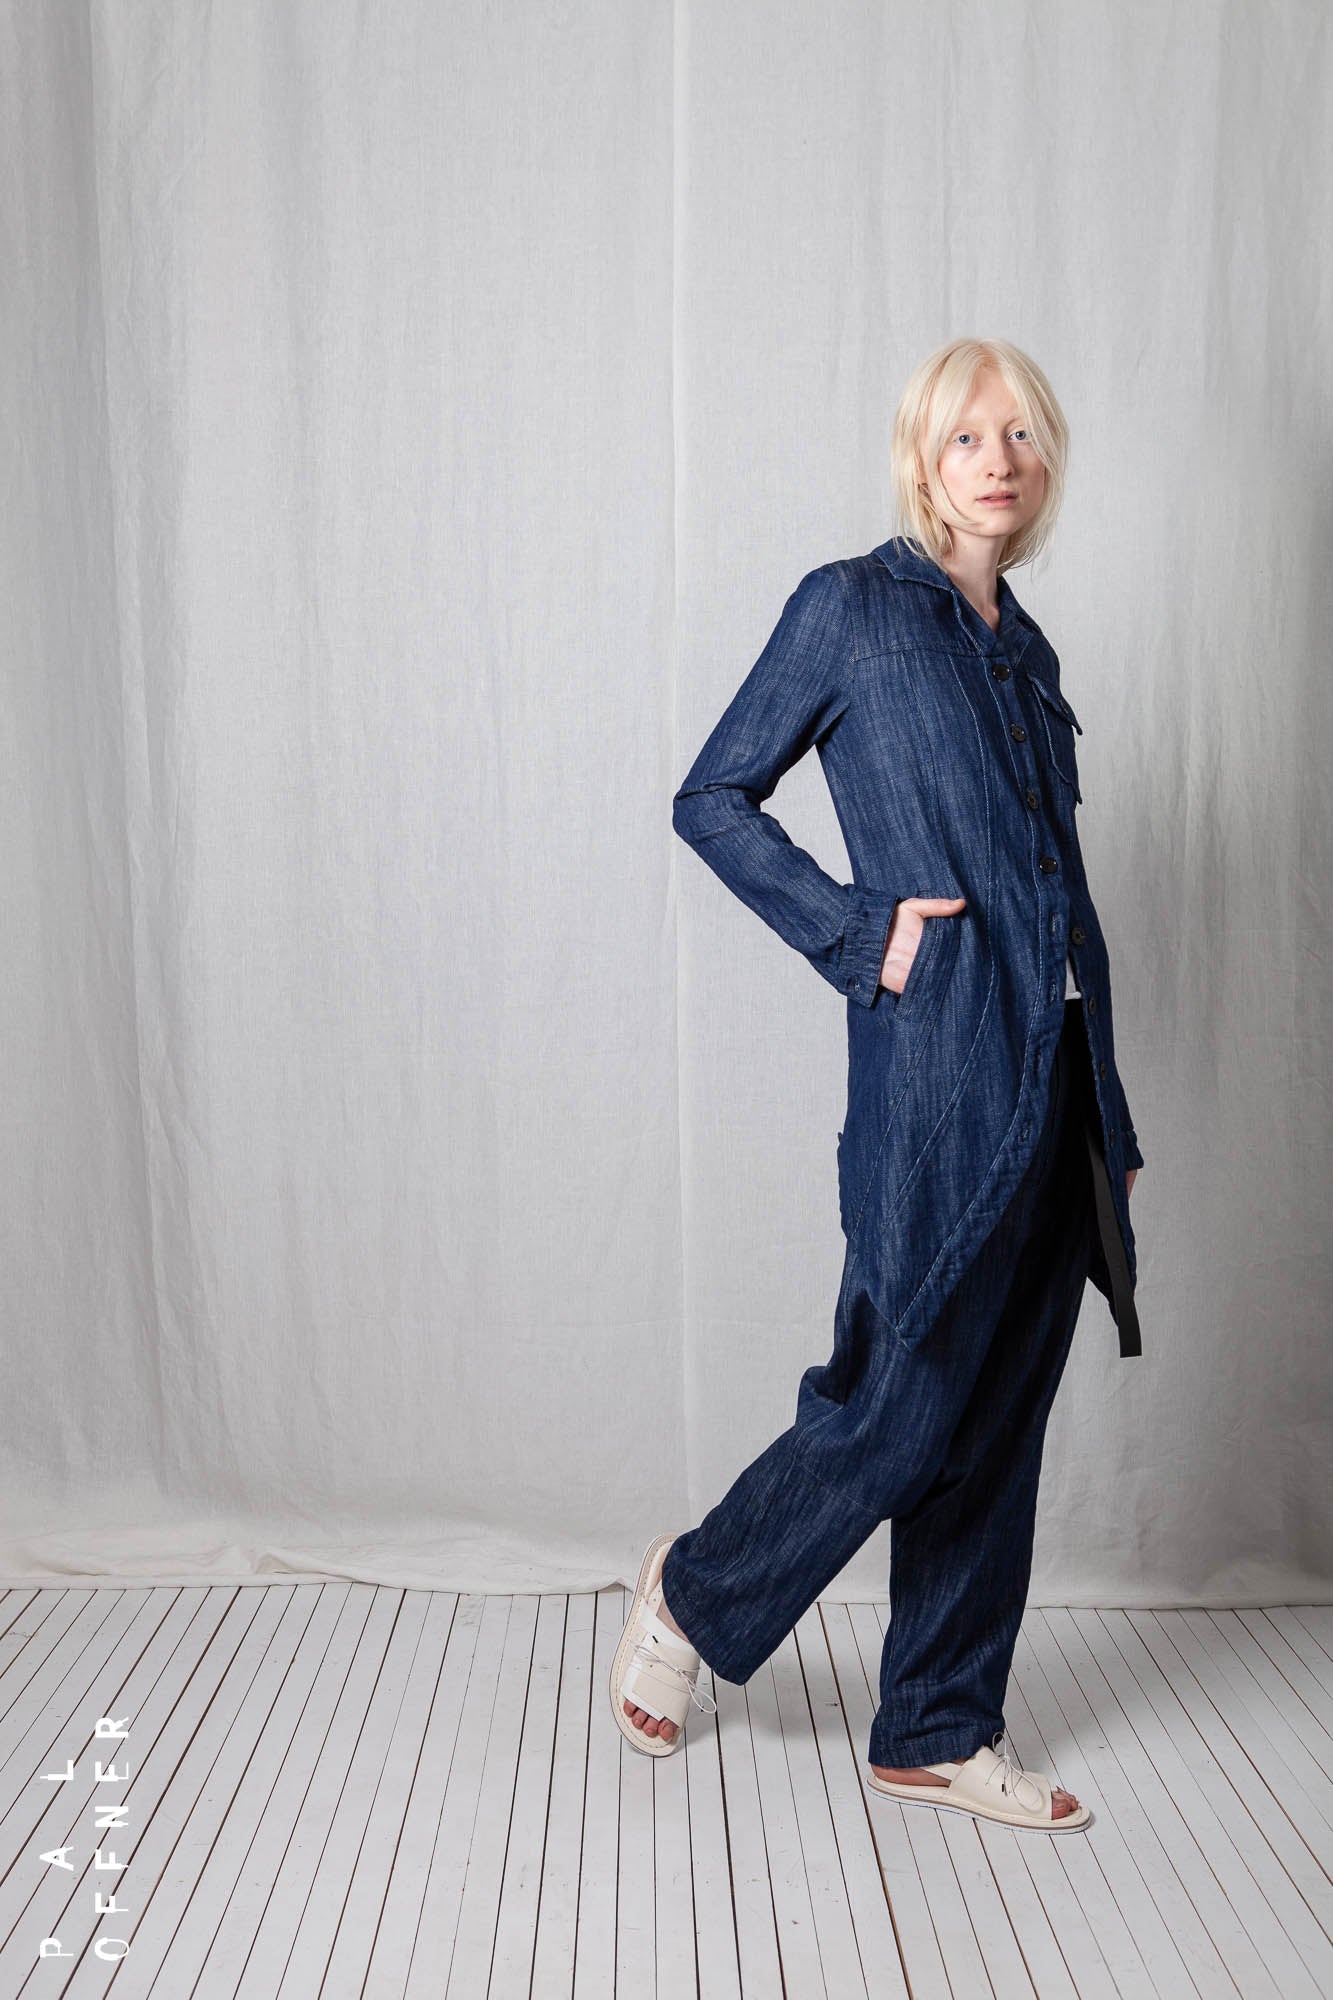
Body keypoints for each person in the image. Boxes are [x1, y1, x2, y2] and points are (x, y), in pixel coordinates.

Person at [609, 338, 1143, 1833]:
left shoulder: (1026, 652)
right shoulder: (848, 608)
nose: (998, 459)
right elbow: (712, 795)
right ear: (922, 457)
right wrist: (862, 934)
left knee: (999, 1421)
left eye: (1022, 434)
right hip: (939, 1082)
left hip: (1058, 1081)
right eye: (968, 435)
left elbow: (1056, 887)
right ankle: (694, 1593)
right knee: (899, 1408)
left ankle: (935, 1727)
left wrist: (1101, 1091)